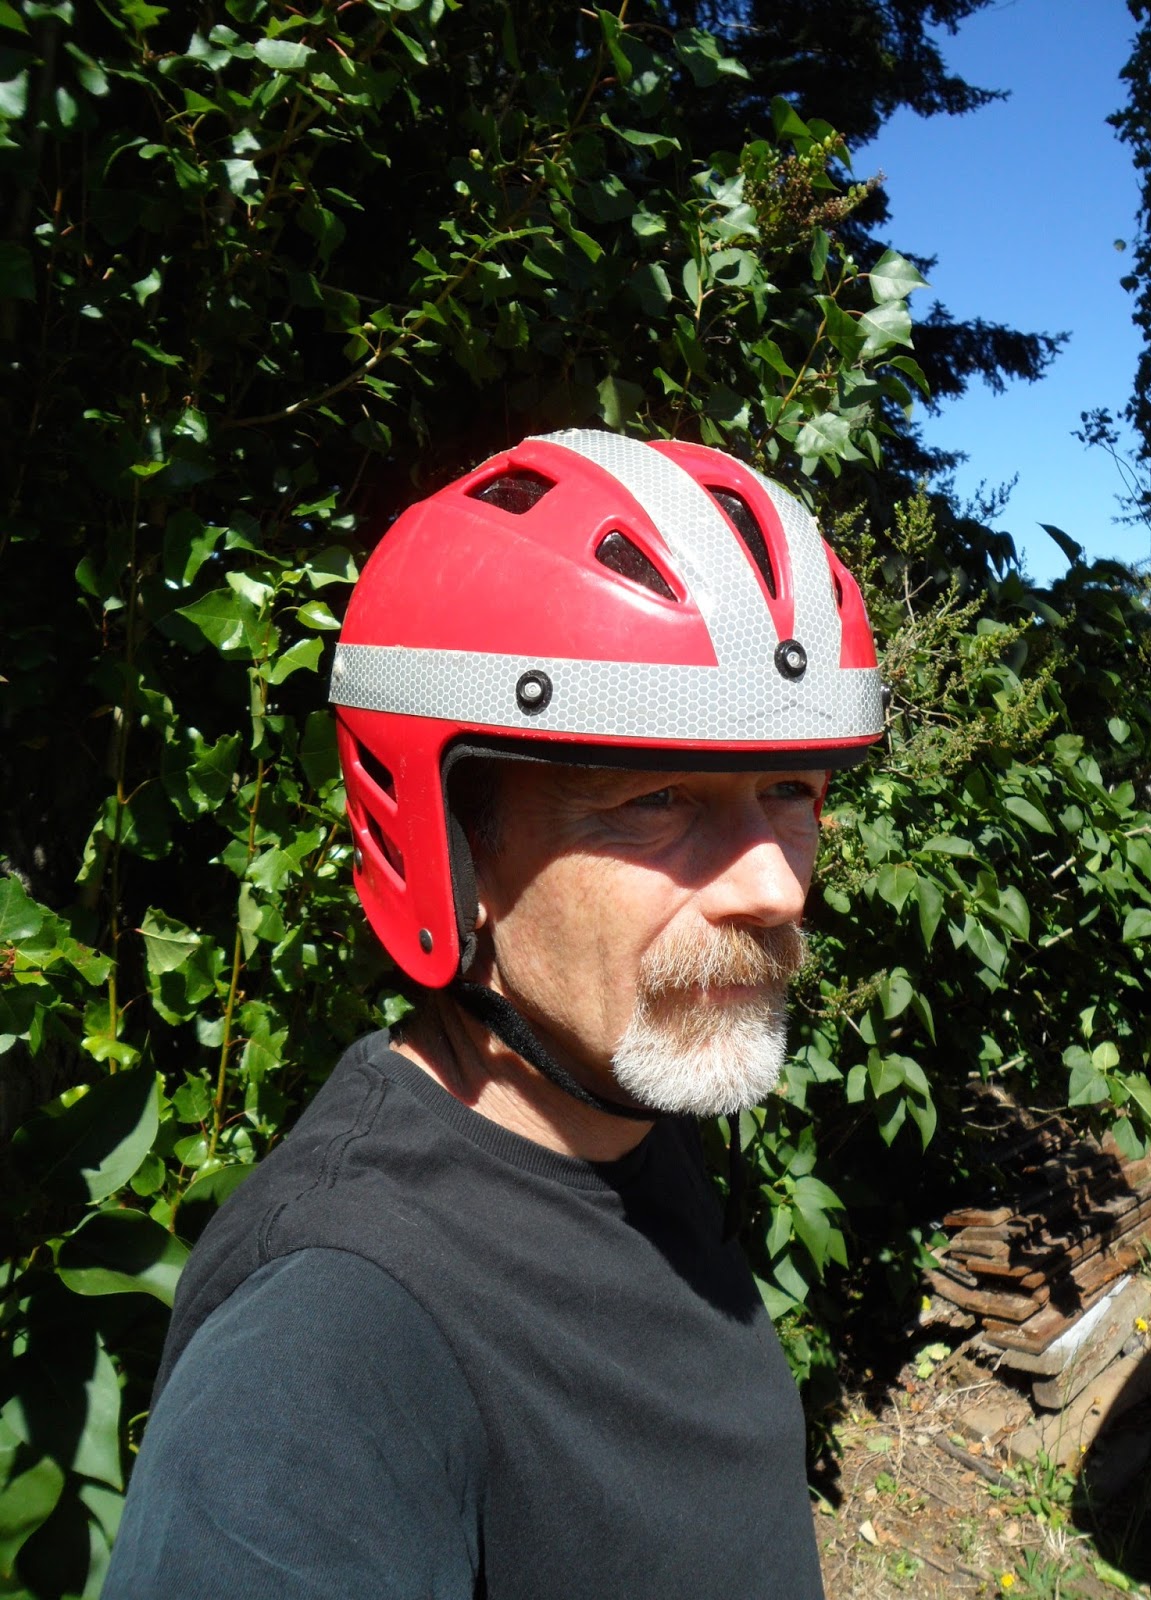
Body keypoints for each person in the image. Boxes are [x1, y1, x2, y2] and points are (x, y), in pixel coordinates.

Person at [103, 429, 883, 1599]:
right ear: (444, 845)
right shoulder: (326, 1346)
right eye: (657, 798)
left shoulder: (616, 1118)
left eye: (792, 790)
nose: (775, 884)